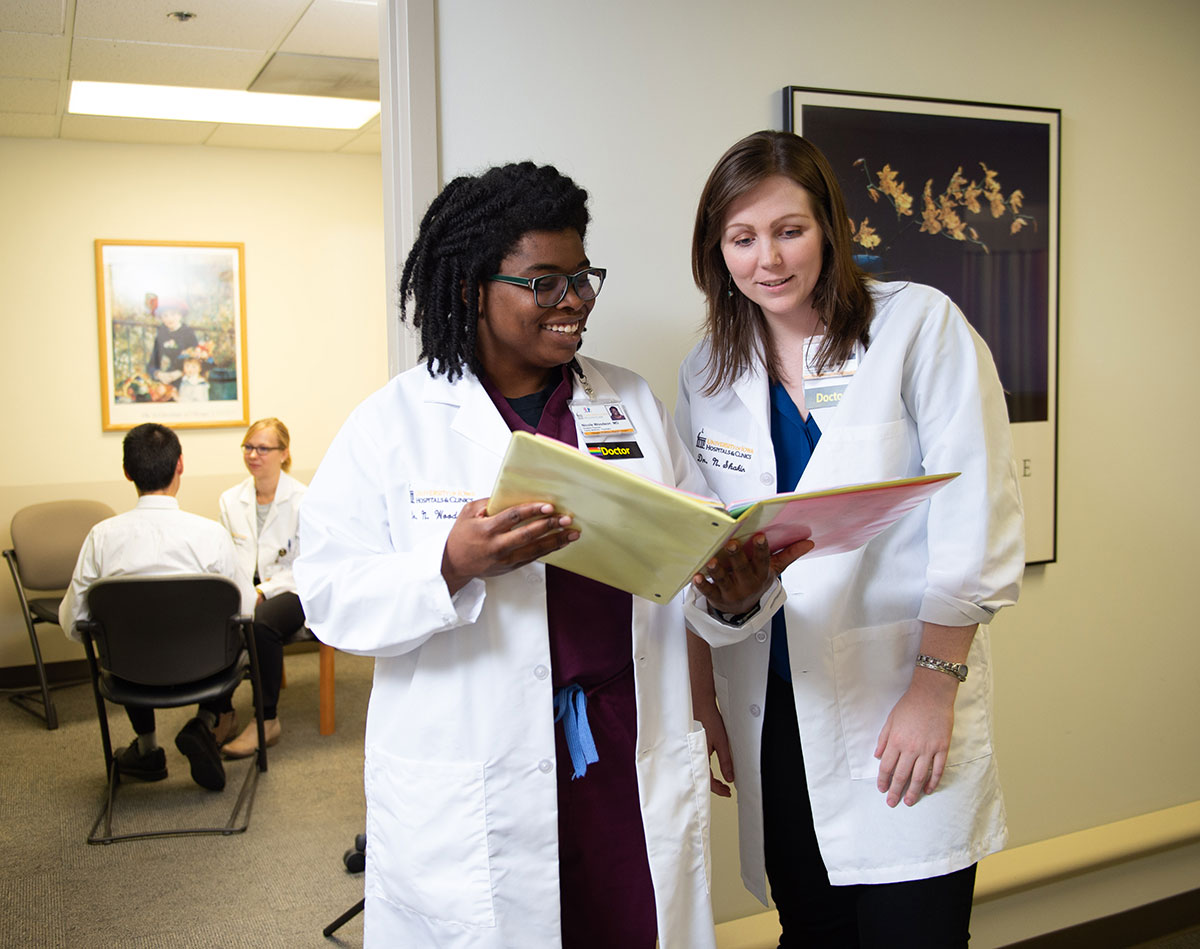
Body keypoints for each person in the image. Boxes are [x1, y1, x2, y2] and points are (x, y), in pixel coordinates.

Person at [294, 161, 803, 949]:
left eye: (582, 277)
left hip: (622, 751)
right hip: (480, 758)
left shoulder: (627, 402)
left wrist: (733, 591)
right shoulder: (393, 424)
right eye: (544, 283)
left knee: (630, 922)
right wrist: (450, 562)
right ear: (471, 290)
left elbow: (689, 556)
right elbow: (327, 596)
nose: (575, 303)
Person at [676, 130, 1025, 947]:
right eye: (743, 237)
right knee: (813, 929)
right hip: (775, 707)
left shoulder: (917, 326)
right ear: (716, 250)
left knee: (916, 933)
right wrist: (704, 699)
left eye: (789, 230)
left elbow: (975, 517)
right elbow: (699, 546)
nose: (769, 258)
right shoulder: (708, 373)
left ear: (829, 227)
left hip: (899, 689)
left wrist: (934, 687)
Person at [59, 423, 255, 791]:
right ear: (180, 465)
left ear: (127, 472)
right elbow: (246, 610)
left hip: (130, 675)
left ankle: (147, 750)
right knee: (237, 629)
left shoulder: (102, 537)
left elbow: (74, 621)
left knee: (128, 634)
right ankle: (206, 719)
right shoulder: (209, 535)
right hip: (208, 672)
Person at [217, 417, 306, 758]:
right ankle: (220, 711)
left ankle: (266, 720)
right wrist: (244, 590)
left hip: (293, 588)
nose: (254, 455)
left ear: (284, 454)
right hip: (245, 588)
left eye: (263, 448)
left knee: (261, 623)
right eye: (249, 447)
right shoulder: (230, 500)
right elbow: (226, 555)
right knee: (213, 619)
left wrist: (263, 590)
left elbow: (306, 563)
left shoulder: (302, 500)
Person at [147, 298, 199, 385]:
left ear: (180, 315)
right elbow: (152, 363)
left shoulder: (188, 334)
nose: (169, 318)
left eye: (173, 314)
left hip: (184, 379)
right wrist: (158, 374)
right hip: (164, 380)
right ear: (161, 318)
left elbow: (198, 361)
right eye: (165, 315)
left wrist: (180, 373)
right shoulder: (161, 334)